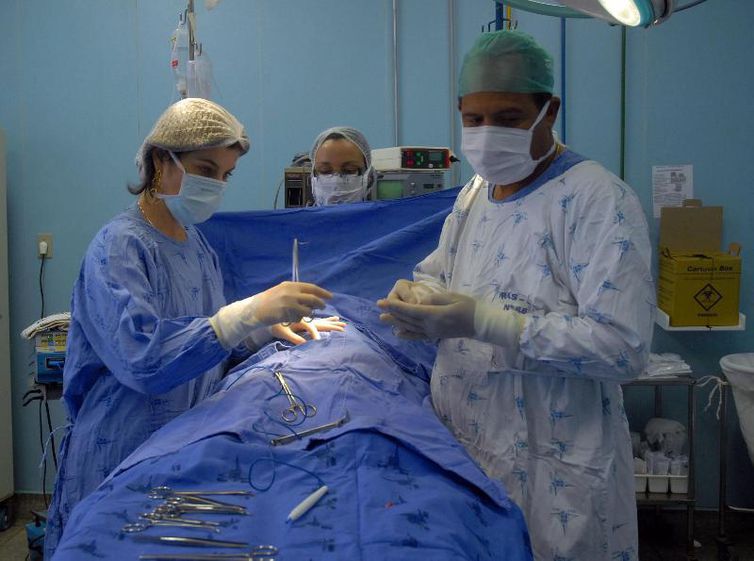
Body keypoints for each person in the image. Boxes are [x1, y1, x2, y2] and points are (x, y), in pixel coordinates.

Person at [378, 31, 654, 561]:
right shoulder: (477, 191)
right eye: (473, 119)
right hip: (470, 445)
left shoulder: (598, 199)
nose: (486, 135)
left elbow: (623, 346)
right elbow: (441, 273)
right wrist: (419, 298)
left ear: (549, 111)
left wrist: (489, 323)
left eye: (506, 119)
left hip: (557, 469)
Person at [45, 98, 343, 558]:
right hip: (120, 450)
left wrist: (265, 329)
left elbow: (207, 340)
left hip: (183, 448)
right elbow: (143, 359)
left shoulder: (195, 245)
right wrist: (247, 312)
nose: (216, 185)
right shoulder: (120, 246)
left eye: (224, 175)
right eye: (205, 168)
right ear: (161, 160)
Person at [309, 126, 375, 205]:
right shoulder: (299, 216)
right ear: (312, 178)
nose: (336, 182)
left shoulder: (383, 216)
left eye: (349, 170)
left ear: (369, 178)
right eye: (325, 171)